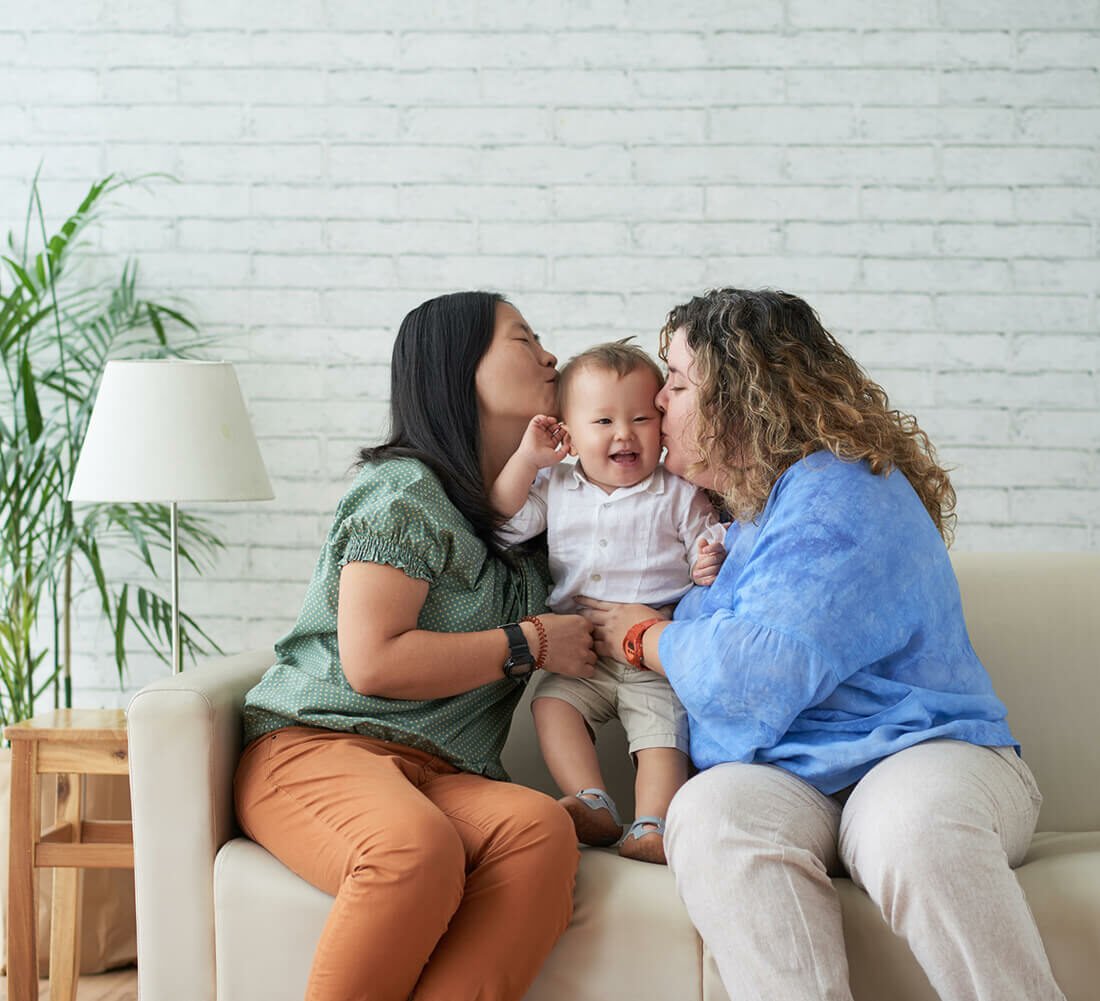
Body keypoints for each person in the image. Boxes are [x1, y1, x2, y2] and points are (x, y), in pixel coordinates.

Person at [579, 288, 1066, 1001]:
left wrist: (644, 633)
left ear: (743, 397)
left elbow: (749, 678)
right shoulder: (745, 523)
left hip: (919, 751)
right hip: (797, 779)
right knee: (711, 812)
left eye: (678, 383)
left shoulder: (844, 491)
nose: (658, 401)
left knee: (909, 824)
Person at [234, 291, 597, 1001]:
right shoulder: (404, 492)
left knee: (539, 829)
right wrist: (530, 641)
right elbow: (373, 661)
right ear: (459, 369)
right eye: (525, 340)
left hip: (441, 771)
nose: (550, 356)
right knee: (413, 849)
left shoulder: (536, 518)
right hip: (316, 748)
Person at [491, 340, 726, 865]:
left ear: (661, 426)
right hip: (583, 654)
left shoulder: (679, 492)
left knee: (661, 734)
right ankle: (591, 798)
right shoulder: (555, 486)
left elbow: (709, 545)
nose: (624, 433)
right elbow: (504, 522)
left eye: (641, 417)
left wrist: (708, 561)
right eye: (602, 422)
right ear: (567, 434)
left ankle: (653, 824)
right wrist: (528, 458)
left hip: (653, 655)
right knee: (552, 705)